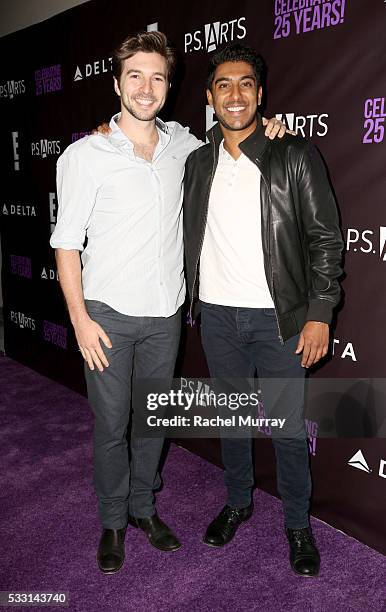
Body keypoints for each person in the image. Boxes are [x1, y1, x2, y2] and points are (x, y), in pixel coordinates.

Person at [50, 31, 286, 575]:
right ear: (116, 83)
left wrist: (273, 127)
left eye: (157, 76)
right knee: (111, 424)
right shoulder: (85, 155)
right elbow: (65, 243)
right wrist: (80, 320)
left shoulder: (185, 144)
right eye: (135, 75)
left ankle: (142, 509)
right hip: (105, 315)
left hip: (167, 315)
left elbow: (238, 130)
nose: (146, 87)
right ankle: (112, 522)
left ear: (169, 84)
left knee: (151, 421)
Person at [183, 43, 343, 577]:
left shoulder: (293, 155)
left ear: (260, 93)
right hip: (219, 317)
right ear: (209, 97)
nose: (235, 94)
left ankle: (297, 522)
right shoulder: (195, 162)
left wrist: (320, 311)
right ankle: (238, 501)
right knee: (231, 419)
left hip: (278, 321)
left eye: (245, 83)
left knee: (286, 427)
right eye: (223, 85)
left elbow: (325, 238)